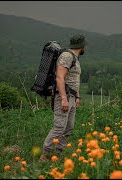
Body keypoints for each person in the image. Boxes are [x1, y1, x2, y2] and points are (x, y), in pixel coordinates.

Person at [39, 34, 87, 162]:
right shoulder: (67, 56)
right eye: (84, 45)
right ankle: (45, 154)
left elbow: (74, 79)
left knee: (69, 126)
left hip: (71, 96)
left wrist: (77, 96)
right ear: (81, 46)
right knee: (59, 126)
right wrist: (64, 98)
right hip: (64, 96)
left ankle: (59, 153)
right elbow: (60, 78)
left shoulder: (75, 58)